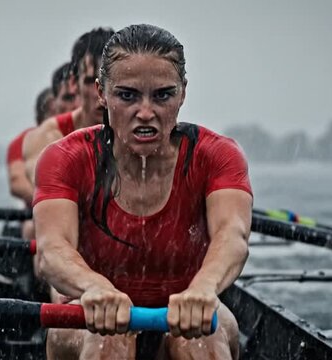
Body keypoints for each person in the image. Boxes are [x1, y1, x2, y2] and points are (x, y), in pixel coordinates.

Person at [33, 24, 253, 359]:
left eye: (162, 95)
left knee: (204, 339)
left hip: (189, 308)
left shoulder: (218, 155)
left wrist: (203, 288)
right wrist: (95, 287)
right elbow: (52, 251)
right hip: (92, 312)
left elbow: (232, 236)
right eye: (128, 96)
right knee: (111, 341)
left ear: (183, 93)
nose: (146, 112)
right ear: (102, 93)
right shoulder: (65, 158)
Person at [23, 27, 115, 186]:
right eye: (90, 82)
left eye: (110, 81)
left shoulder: (139, 133)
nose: (101, 94)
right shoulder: (49, 136)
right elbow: (45, 182)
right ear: (74, 83)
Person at [6, 87, 56, 208]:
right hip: (37, 214)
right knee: (30, 227)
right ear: (41, 116)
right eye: (53, 113)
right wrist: (53, 203)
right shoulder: (23, 141)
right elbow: (17, 182)